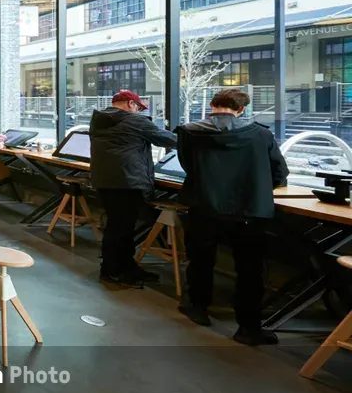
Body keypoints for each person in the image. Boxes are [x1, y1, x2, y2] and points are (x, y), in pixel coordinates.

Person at [175, 88, 289, 346]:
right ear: (241, 109)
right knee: (249, 269)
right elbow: (279, 172)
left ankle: (198, 308)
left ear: (213, 104)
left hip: (204, 206)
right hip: (249, 210)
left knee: (201, 260)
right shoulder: (260, 133)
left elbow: (188, 167)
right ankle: (248, 328)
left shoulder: (189, 132)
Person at [90, 90, 178, 287]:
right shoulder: (134, 121)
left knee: (116, 227)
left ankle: (124, 267)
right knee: (122, 230)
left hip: (104, 180)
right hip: (128, 182)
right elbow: (169, 140)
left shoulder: (99, 120)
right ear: (130, 104)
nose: (138, 111)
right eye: (138, 107)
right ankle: (113, 271)